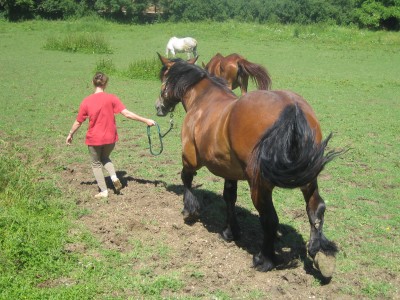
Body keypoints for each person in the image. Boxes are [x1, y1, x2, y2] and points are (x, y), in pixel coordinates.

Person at [66, 72, 156, 198]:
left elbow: (78, 122)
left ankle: (103, 191)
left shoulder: (86, 101)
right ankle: (114, 177)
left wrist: (70, 134)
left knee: (96, 163)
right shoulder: (112, 98)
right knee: (105, 158)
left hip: (94, 139)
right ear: (106, 84)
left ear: (93, 83)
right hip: (110, 138)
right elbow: (127, 114)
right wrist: (146, 120)